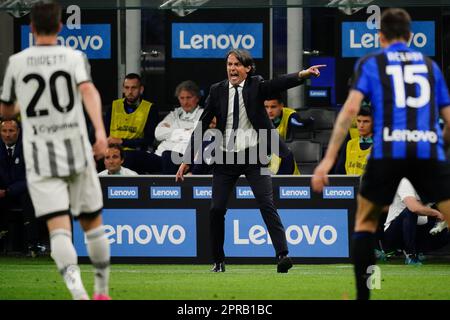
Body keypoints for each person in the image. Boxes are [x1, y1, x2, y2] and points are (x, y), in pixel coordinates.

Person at [311, 8, 450, 300]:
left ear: (381, 37)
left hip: (388, 148)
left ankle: (364, 296)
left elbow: (350, 110)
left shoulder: (372, 62)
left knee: (364, 223)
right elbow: (449, 119)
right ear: (410, 36)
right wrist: (439, 145)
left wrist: (326, 160)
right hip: (426, 148)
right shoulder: (429, 65)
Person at [176, 48, 325, 273]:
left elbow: (280, 83)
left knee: (267, 204)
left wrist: (303, 74)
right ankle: (218, 260)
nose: (232, 68)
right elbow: (203, 124)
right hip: (224, 159)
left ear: (247, 68)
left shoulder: (257, 85)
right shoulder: (217, 91)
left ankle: (283, 255)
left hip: (254, 156)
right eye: (229, 64)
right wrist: (187, 159)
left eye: (237, 64)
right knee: (216, 210)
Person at [0, 2, 111, 300]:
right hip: (74, 147)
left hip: (39, 155)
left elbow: (6, 109)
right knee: (92, 223)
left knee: (58, 227)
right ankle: (101, 291)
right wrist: (100, 132)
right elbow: (87, 90)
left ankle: (78, 293)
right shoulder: (74, 56)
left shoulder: (17, 62)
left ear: (32, 28)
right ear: (60, 26)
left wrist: (21, 107)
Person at [0, 119, 44, 256]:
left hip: (23, 190)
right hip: (2, 191)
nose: (7, 135)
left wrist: (8, 191)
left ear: (18, 131)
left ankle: (33, 244)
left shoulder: (29, 147)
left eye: (11, 131)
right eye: (4, 131)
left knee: (28, 198)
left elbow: (32, 177)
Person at [381, 178, 449, 265]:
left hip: (416, 233)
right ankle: (411, 255)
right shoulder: (405, 182)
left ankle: (418, 251)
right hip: (394, 236)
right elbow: (413, 208)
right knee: (410, 210)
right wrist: (436, 213)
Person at [105, 73, 160, 174]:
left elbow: (148, 140)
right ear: (123, 89)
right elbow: (104, 133)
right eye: (127, 87)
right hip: (111, 150)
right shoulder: (113, 106)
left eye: (134, 88)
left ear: (141, 89)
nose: (130, 92)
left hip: (134, 152)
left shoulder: (150, 109)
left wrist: (122, 141)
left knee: (127, 158)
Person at [154, 80, 203, 174]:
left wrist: (172, 131)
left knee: (168, 155)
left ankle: (169, 188)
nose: (185, 102)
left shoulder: (203, 114)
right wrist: (185, 131)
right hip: (160, 155)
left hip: (184, 159)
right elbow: (158, 133)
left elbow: (197, 135)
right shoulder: (174, 114)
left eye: (189, 97)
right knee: (131, 156)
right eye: (182, 98)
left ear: (197, 98)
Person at [264, 94, 312, 175]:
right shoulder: (259, 117)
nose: (269, 111)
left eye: (273, 107)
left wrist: (310, 120)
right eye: (266, 107)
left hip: (283, 159)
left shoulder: (290, 115)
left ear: (281, 106)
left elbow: (299, 124)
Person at [334, 105, 373, 175]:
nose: (361, 125)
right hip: (349, 185)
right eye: (358, 121)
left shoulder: (380, 147)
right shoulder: (350, 144)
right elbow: (339, 173)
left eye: (366, 121)